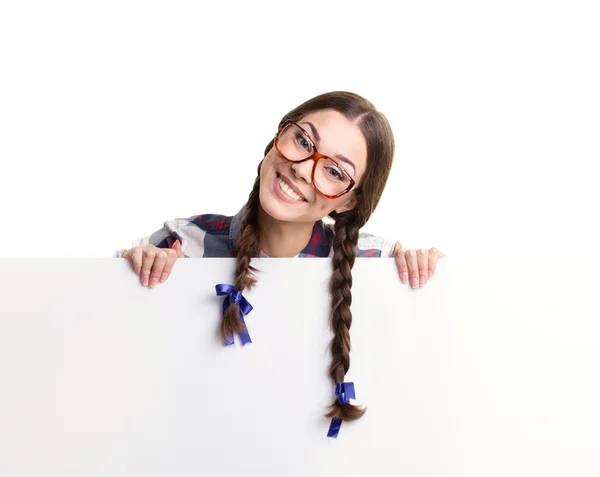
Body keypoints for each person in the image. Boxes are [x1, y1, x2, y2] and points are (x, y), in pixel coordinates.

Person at [113, 91, 446, 437]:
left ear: (350, 201)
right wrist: (130, 274)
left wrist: (433, 278)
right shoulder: (184, 244)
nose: (302, 169)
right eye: (303, 140)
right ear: (277, 137)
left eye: (333, 171)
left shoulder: (377, 267)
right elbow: (111, 368)